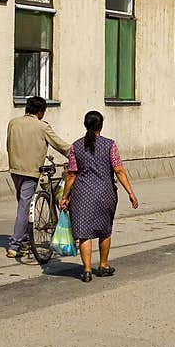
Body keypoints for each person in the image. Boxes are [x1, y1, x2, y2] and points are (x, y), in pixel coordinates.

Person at [58, 110, 138, 282]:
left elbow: (71, 174)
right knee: (104, 230)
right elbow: (118, 170)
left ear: (85, 125)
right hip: (105, 193)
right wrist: (130, 192)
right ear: (101, 125)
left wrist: (65, 197)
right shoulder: (110, 145)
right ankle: (103, 265)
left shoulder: (76, 146)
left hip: (81, 194)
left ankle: (86, 270)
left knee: (84, 233)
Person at [6, 96, 70, 258]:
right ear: (41, 111)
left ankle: (26, 240)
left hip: (15, 169)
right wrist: (78, 154)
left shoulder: (13, 123)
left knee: (23, 204)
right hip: (31, 171)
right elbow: (61, 145)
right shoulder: (42, 127)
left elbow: (8, 145)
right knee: (24, 207)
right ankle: (15, 245)